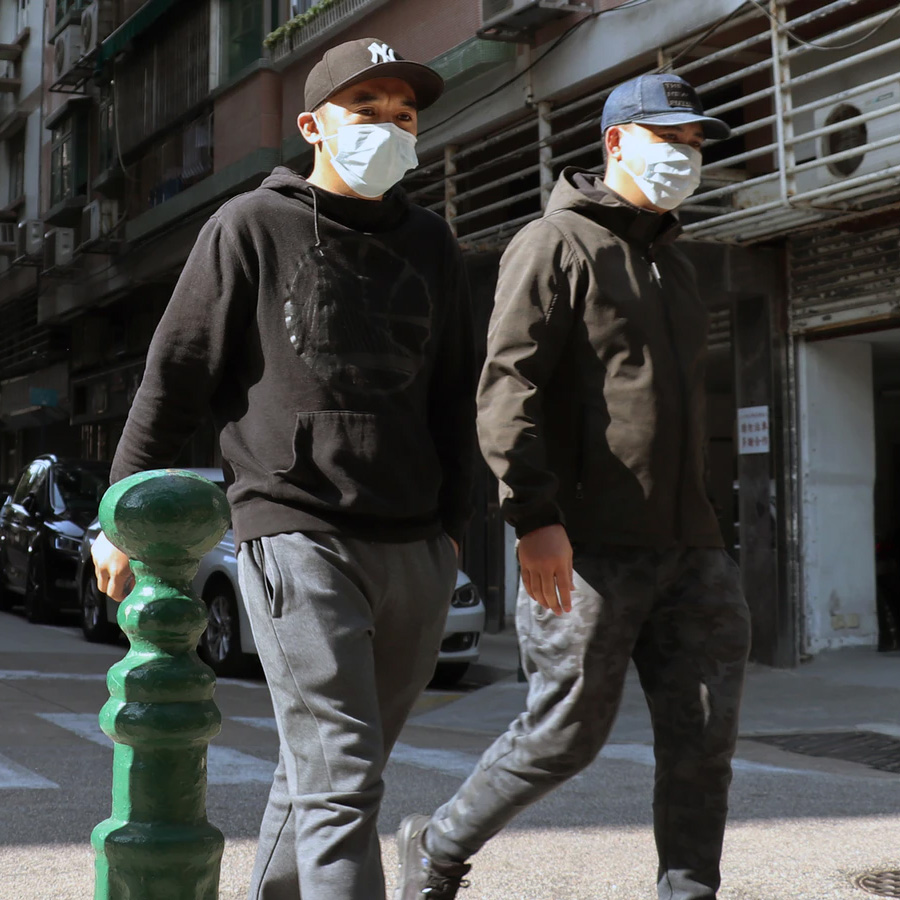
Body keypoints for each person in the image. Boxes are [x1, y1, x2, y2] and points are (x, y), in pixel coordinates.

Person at [92, 37, 476, 900]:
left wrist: (453, 530)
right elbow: (176, 373)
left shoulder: (433, 242)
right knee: (343, 777)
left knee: (323, 772)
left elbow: (456, 394)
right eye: (365, 111)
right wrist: (119, 511)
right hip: (296, 530)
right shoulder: (249, 226)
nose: (388, 128)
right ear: (312, 127)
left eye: (404, 115)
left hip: (415, 543)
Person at [395, 73, 751, 900]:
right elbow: (507, 387)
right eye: (670, 139)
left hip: (692, 547)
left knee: (704, 742)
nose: (686, 156)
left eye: (695, 143)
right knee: (565, 735)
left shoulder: (676, 262)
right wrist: (533, 516)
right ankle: (438, 845)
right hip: (587, 546)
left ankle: (689, 891)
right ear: (617, 142)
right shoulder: (554, 242)